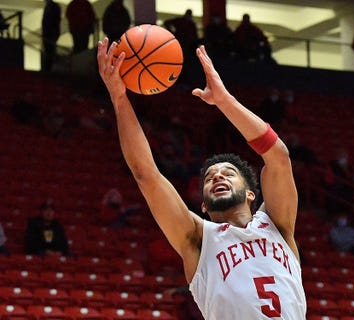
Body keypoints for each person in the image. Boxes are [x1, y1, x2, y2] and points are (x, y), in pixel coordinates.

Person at [97, 39, 306, 319]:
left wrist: (224, 101)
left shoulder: (277, 225)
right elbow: (146, 174)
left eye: (228, 173)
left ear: (250, 194)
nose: (218, 176)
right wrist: (119, 98)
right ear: (204, 206)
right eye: (209, 178)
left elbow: (278, 156)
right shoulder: (198, 238)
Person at [41, 0, 61, 72]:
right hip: (49, 33)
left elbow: (54, 21)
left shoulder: (51, 7)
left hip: (50, 33)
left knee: (49, 50)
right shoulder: (50, 7)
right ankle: (48, 67)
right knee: (49, 50)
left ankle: (49, 68)